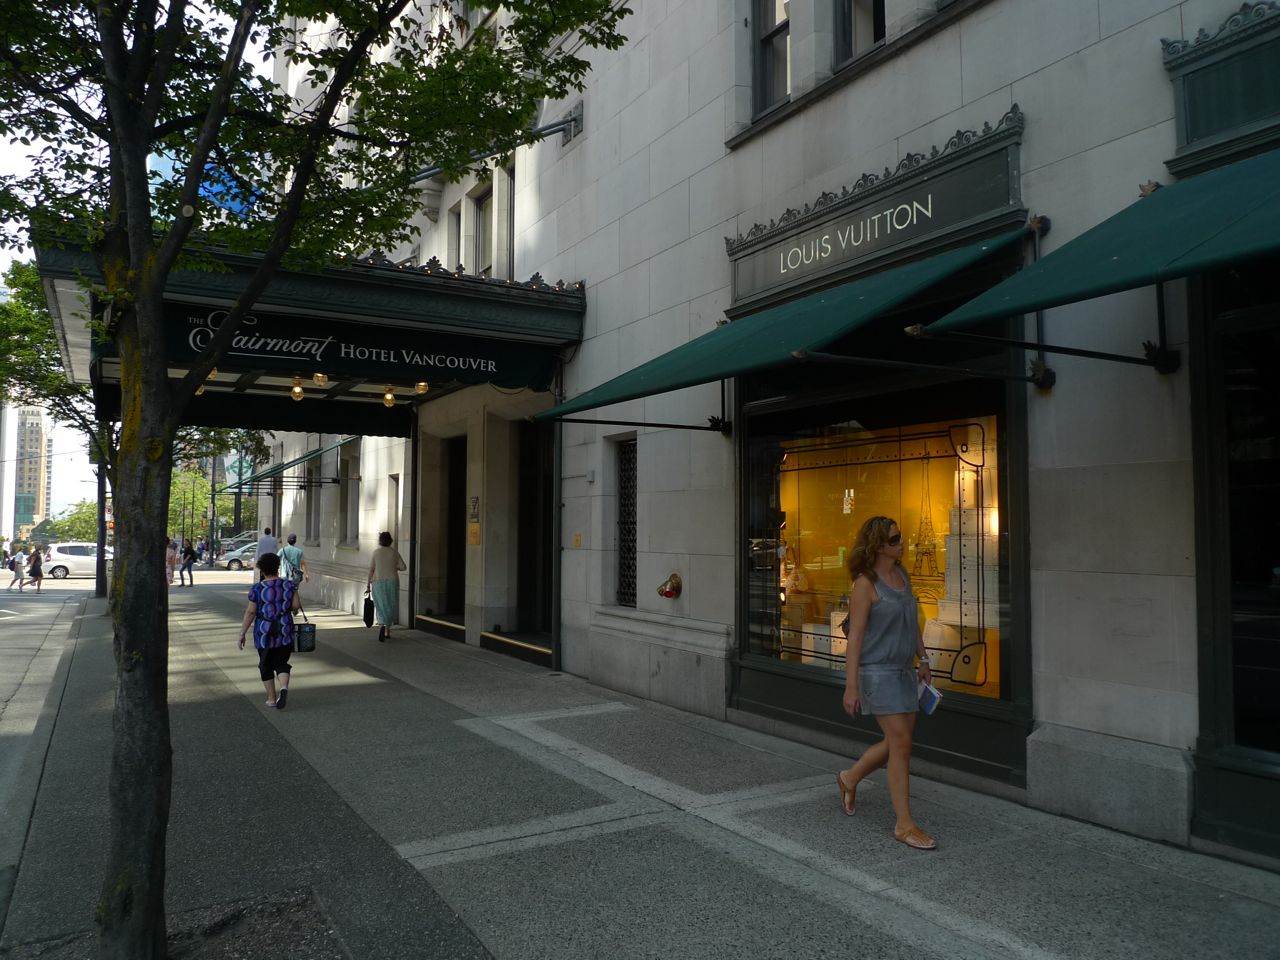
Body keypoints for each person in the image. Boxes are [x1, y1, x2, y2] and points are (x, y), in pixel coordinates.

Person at [835, 515, 936, 851]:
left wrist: (923, 658)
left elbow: (912, 620)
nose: (901, 543)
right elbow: (855, 638)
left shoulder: (902, 575)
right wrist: (851, 686)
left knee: (898, 743)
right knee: (901, 744)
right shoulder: (866, 584)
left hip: (904, 671)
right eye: (894, 539)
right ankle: (904, 824)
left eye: (900, 536)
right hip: (876, 673)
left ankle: (849, 777)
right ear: (878, 546)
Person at [237, 552, 300, 709]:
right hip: (285, 628)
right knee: (281, 662)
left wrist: (242, 632)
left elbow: (251, 612)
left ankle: (271, 698)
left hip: (264, 632)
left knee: (265, 664)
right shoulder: (289, 585)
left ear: (262, 570)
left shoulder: (257, 588)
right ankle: (283, 687)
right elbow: (295, 606)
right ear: (278, 567)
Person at [367, 531, 406, 642]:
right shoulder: (394, 553)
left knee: (380, 605)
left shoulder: (376, 553)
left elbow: (371, 570)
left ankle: (382, 625)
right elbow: (403, 567)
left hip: (378, 582)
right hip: (392, 582)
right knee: (390, 605)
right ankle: (387, 631)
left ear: (380, 541)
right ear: (390, 541)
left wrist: (368, 585)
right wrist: (395, 567)